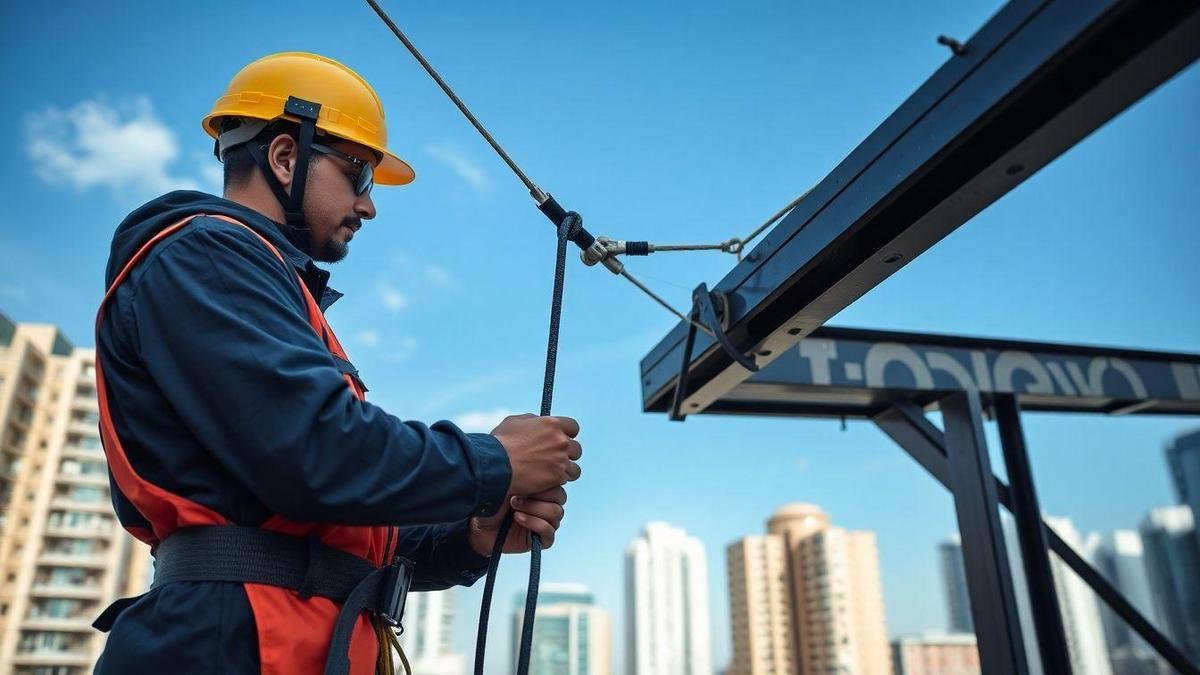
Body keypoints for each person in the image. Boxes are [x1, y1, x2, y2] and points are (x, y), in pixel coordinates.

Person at [91, 51, 582, 675]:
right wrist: (495, 460)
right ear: (286, 157)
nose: (369, 205)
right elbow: (318, 453)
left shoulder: (263, 283)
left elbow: (332, 523)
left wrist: (470, 537)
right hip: (227, 645)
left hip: (281, 639)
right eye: (359, 176)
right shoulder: (207, 255)